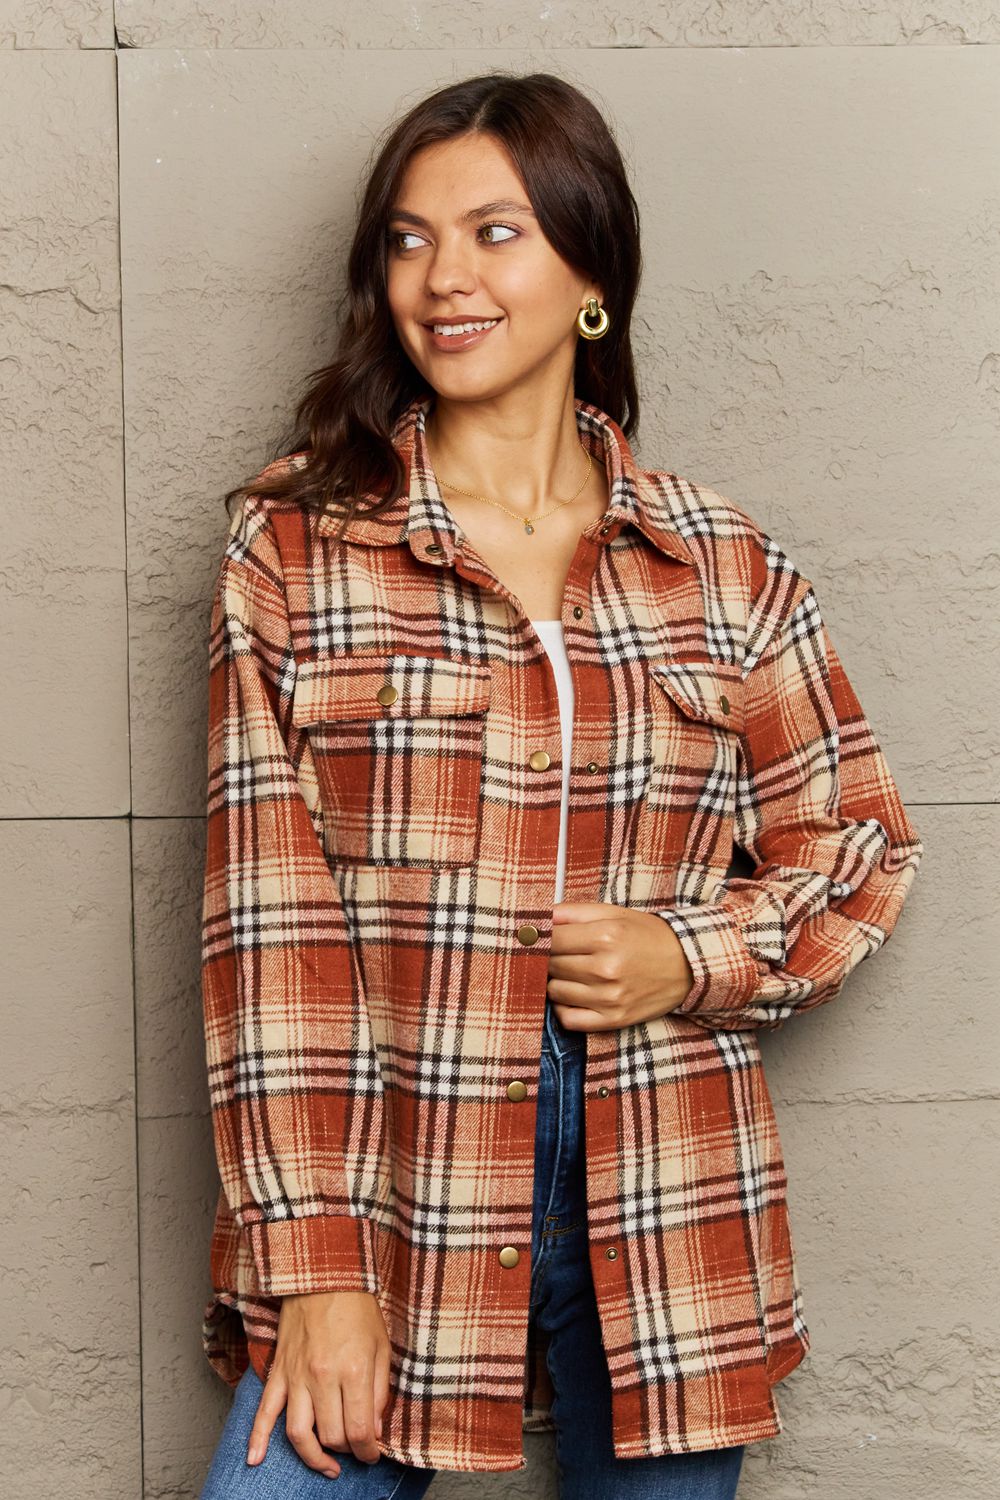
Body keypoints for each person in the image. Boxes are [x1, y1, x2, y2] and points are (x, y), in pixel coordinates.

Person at [197, 72, 924, 1499]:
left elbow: (859, 838)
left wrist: (692, 953)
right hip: (400, 1184)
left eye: (496, 233)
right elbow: (266, 929)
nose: (443, 279)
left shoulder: (719, 562)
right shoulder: (296, 546)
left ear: (592, 273)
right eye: (409, 240)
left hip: (669, 1193)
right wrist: (318, 1263)